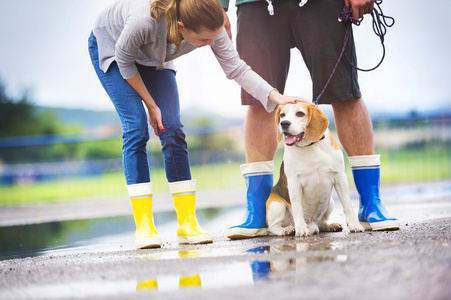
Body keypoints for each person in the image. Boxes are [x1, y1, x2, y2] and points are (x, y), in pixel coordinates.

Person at [88, 0, 301, 249]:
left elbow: (236, 68)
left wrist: (277, 97)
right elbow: (125, 62)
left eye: (214, 37)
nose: (211, 44)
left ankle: (187, 222)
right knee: (135, 127)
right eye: (203, 40)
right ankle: (144, 226)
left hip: (155, 55)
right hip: (115, 50)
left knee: (173, 128)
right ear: (181, 27)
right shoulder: (143, 21)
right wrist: (151, 105)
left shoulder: (211, 25)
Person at [221, 0, 400, 239]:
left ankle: (370, 203)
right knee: (259, 100)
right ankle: (257, 211)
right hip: (256, 4)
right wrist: (217, 6)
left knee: (344, 93)